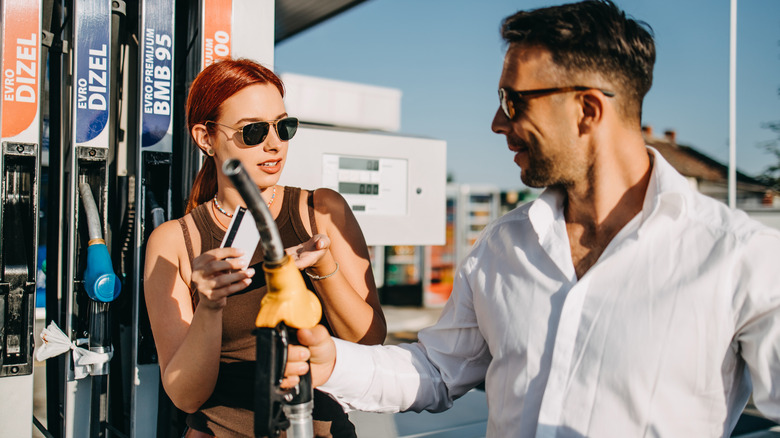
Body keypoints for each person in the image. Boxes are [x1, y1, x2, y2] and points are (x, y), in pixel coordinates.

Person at [284, 1, 780, 436]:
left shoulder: (741, 258)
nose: (498, 123)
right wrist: (334, 362)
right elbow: (437, 370)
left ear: (586, 110)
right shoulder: (502, 245)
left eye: (513, 100)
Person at [143, 58, 386, 438]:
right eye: (252, 131)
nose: (274, 144)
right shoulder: (176, 240)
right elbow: (186, 397)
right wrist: (210, 306)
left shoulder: (320, 211)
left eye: (283, 127)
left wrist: (322, 267)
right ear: (206, 138)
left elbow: (370, 340)